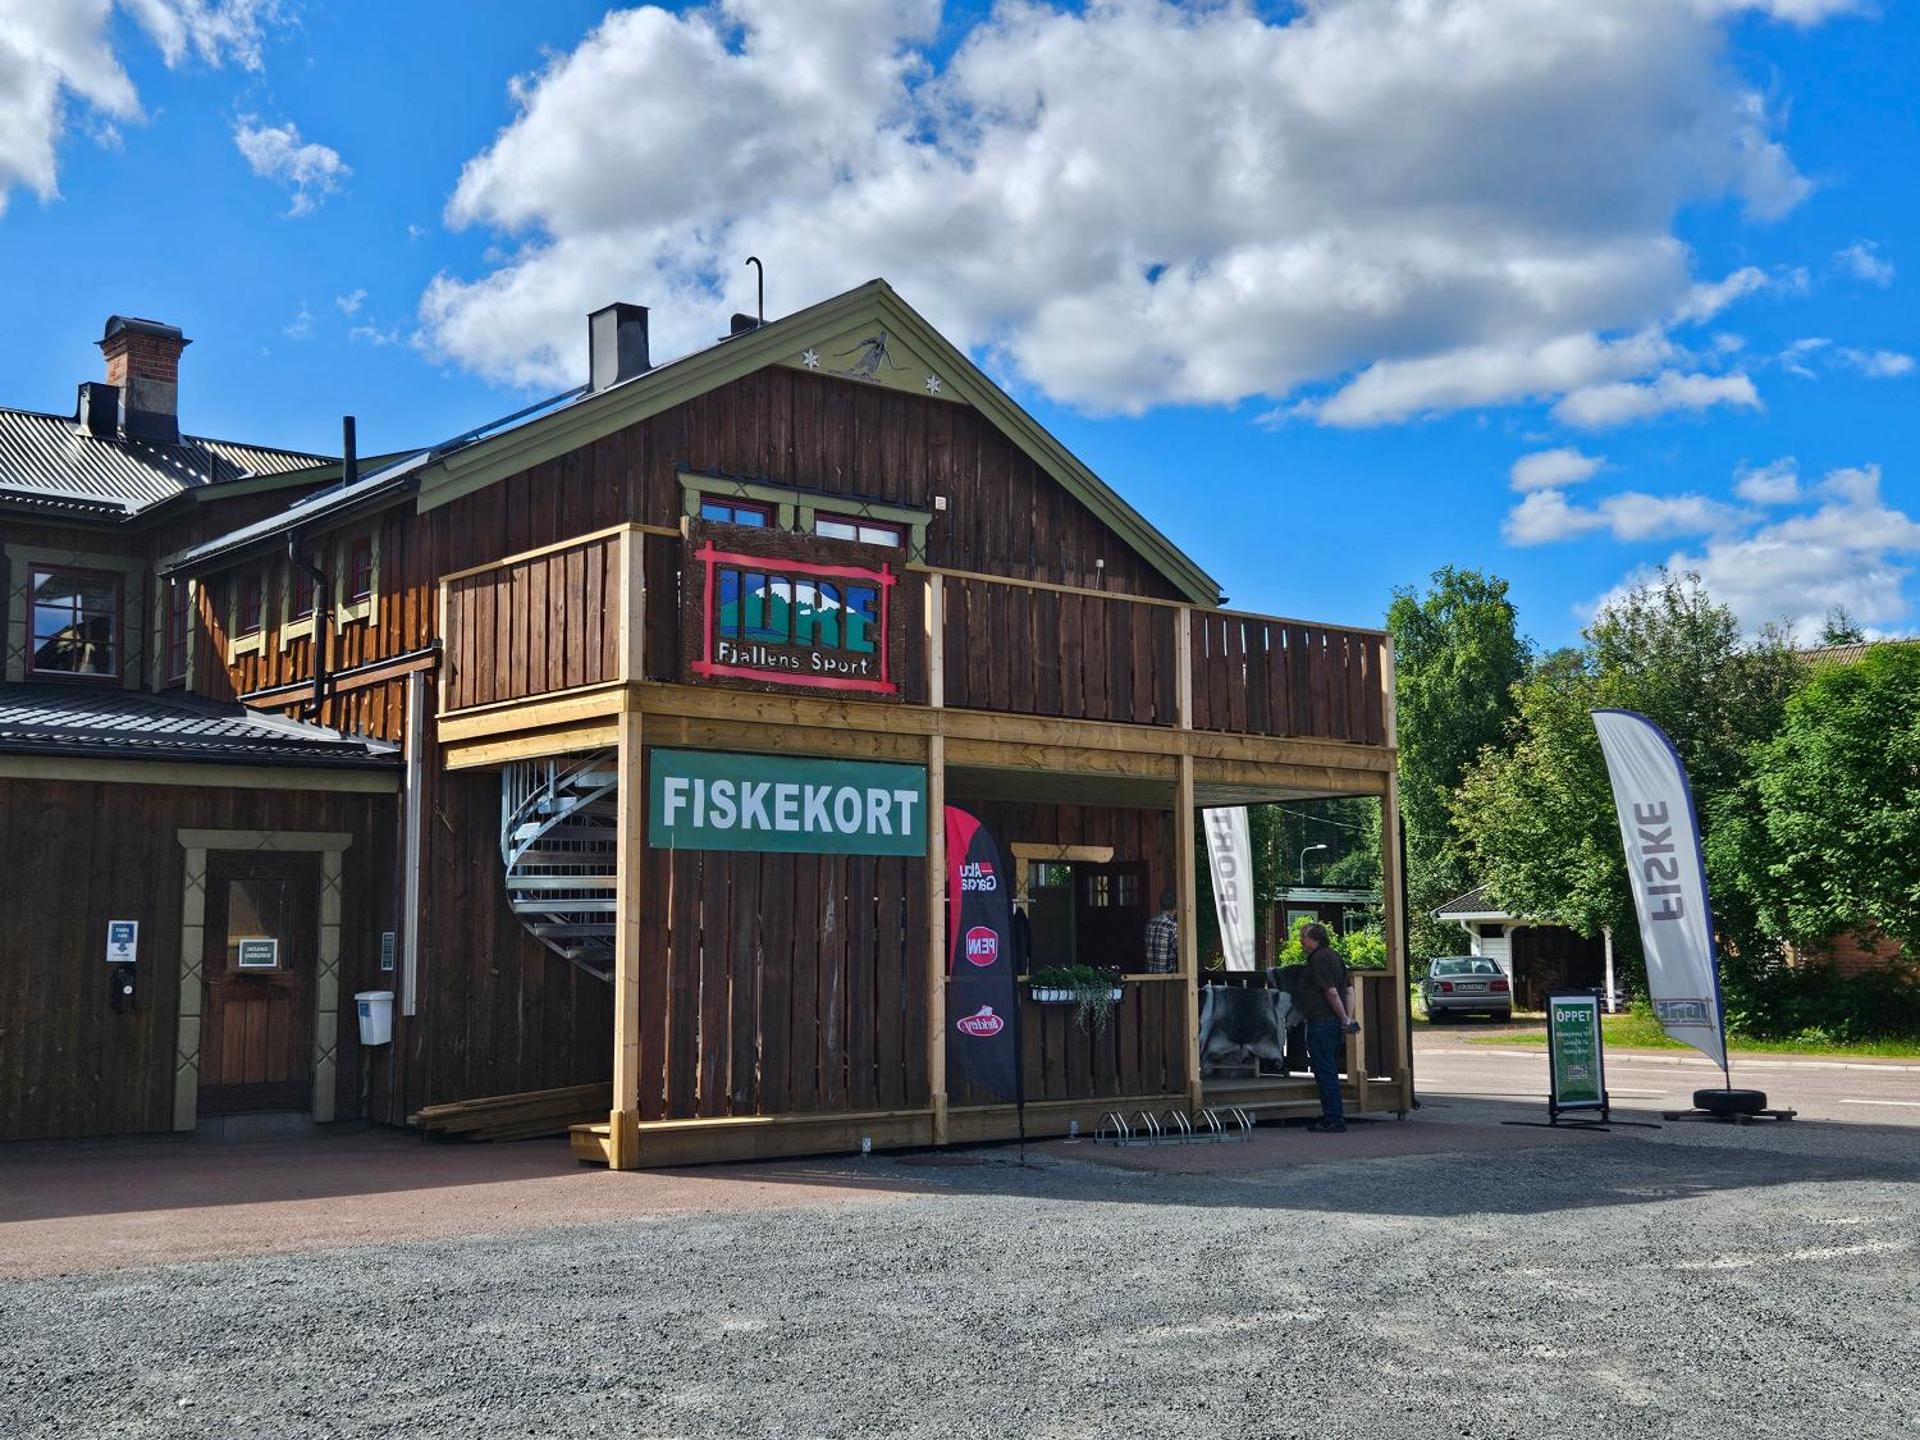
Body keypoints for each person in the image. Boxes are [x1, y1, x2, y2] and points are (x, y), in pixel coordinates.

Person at [1298, 923, 1360, 1133]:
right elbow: (1349, 990)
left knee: (1324, 1070)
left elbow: (1331, 991)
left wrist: (1343, 1017)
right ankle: (1332, 1114)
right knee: (1329, 1069)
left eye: (1303, 936)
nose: (1300, 941)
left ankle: (1333, 1118)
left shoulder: (1318, 959)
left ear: (1313, 938)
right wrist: (1347, 1020)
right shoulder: (1335, 956)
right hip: (1334, 1024)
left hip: (1322, 1022)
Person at [1143, 890, 1179, 974]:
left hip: (1149, 976)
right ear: (1175, 907)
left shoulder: (1150, 924)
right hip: (1167, 976)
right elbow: (1179, 951)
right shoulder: (1173, 926)